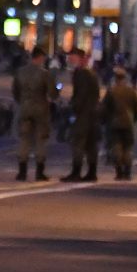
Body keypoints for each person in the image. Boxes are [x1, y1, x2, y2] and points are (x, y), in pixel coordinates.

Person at [12, 46, 53, 182]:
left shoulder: (20, 72)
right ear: (40, 57)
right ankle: (39, 172)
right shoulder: (44, 73)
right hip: (40, 110)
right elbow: (52, 93)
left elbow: (15, 92)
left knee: (24, 139)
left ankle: (22, 171)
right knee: (40, 140)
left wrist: (22, 102)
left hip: (25, 109)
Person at [61, 48, 100, 183]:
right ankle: (92, 172)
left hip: (83, 114)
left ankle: (76, 172)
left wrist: (74, 109)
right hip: (92, 114)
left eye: (72, 57)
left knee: (78, 142)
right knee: (90, 144)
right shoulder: (91, 73)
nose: (70, 60)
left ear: (80, 58)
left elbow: (80, 95)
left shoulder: (81, 73)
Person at [104, 67, 137, 180]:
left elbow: (106, 108)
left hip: (114, 123)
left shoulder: (111, 91)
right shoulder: (131, 92)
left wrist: (106, 120)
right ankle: (128, 172)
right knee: (128, 148)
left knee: (116, 147)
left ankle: (119, 172)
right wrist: (134, 119)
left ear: (115, 78)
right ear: (125, 78)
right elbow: (136, 107)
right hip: (128, 123)